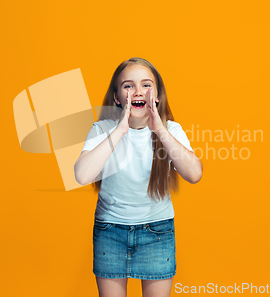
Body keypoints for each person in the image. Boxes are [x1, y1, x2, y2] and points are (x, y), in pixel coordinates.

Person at [74, 57, 203, 297]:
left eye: (146, 85)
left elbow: (194, 174)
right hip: (110, 232)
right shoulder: (102, 130)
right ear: (117, 97)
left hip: (157, 233)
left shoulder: (171, 130)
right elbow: (82, 175)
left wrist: (159, 129)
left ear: (156, 95)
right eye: (128, 86)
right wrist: (120, 130)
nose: (137, 91)